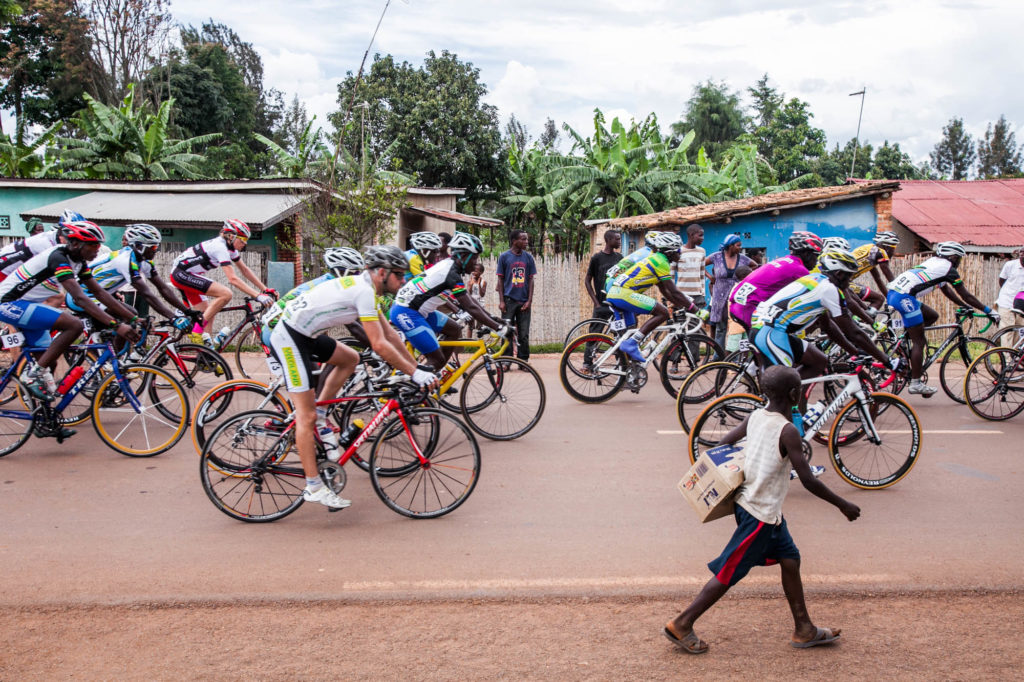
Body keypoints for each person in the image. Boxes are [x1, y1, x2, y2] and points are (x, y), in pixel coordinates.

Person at [664, 366, 860, 655]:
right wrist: (843, 504)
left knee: (790, 560)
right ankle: (682, 623)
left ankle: (804, 628)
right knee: (729, 571)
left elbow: (723, 443)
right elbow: (807, 480)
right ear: (794, 395)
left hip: (757, 509)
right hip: (759, 517)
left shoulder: (756, 416)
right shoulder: (788, 431)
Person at [267, 245, 436, 510]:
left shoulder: (367, 288)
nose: (403, 281)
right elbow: (379, 344)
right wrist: (413, 373)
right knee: (306, 415)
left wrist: (417, 368)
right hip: (289, 338)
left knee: (351, 359)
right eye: (399, 275)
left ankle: (322, 418)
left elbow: (390, 335)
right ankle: (313, 486)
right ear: (382, 272)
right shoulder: (363, 292)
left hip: (306, 334)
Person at [0, 221, 139, 402]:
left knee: (50, 362)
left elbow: (99, 292)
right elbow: (80, 297)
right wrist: (116, 325)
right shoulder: (58, 257)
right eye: (93, 245)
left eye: (99, 244)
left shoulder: (79, 262)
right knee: (73, 325)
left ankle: (46, 421)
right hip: (9, 303)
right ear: (75, 244)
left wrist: (133, 317)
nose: (98, 249)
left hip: (28, 304)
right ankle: (32, 375)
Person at [750, 249, 891, 409]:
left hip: (766, 329)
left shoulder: (815, 280)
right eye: (849, 276)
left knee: (819, 361)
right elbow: (853, 331)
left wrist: (855, 352)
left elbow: (828, 326)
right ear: (838, 274)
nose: (849, 280)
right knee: (784, 398)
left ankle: (798, 416)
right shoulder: (829, 289)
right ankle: (766, 427)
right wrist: (887, 361)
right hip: (770, 333)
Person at [886, 241, 998, 396]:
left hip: (894, 294)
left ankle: (907, 347)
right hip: (905, 298)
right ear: (952, 257)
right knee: (919, 341)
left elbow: (945, 288)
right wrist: (988, 310)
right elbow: (966, 294)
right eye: (959, 259)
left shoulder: (934, 263)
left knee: (932, 316)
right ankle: (916, 383)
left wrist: (963, 305)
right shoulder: (948, 269)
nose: (959, 262)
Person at [391, 231, 509, 372]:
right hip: (406, 312)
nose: (476, 264)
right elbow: (470, 307)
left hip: (420, 311)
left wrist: (493, 318)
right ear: (464, 256)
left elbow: (469, 300)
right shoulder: (449, 272)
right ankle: (416, 388)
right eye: (475, 259)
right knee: (437, 359)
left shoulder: (451, 268)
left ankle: (433, 378)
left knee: (454, 330)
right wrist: (499, 328)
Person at [65, 224, 197, 333]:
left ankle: (118, 356)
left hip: (100, 296)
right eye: (153, 247)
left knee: (131, 316)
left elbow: (163, 288)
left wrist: (188, 311)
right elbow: (147, 294)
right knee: (130, 315)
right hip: (80, 297)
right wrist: (173, 318)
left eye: (157, 247)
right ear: (138, 246)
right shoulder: (125, 260)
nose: (155, 251)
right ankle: (117, 359)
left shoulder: (144, 260)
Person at [170, 219, 276, 346]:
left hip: (187, 275)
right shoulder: (220, 247)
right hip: (181, 274)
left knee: (209, 313)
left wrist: (265, 289)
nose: (244, 243)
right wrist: (257, 296)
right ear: (231, 236)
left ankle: (206, 356)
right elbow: (233, 279)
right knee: (226, 294)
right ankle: (196, 331)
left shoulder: (230, 249)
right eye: (242, 239)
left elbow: (245, 270)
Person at [605, 231, 705, 363]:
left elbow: (666, 291)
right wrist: (695, 309)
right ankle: (632, 343)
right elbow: (674, 292)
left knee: (628, 332)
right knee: (662, 313)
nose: (680, 253)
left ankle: (630, 369)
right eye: (678, 250)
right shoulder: (660, 262)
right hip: (624, 293)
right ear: (669, 252)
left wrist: (680, 305)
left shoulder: (656, 259)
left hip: (617, 292)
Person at [729, 231, 823, 332]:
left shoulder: (784, 261)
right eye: (816, 256)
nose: (816, 261)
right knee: (776, 341)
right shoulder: (800, 270)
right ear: (806, 253)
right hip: (748, 307)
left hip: (739, 304)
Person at [707, 234, 755, 350]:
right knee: (720, 328)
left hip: (736, 297)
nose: (740, 248)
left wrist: (747, 278)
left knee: (737, 327)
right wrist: (710, 277)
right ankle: (718, 355)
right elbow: (699, 264)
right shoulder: (716, 257)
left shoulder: (743, 259)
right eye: (738, 245)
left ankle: (735, 355)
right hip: (719, 297)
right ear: (730, 246)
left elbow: (755, 265)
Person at [496, 229, 537, 362]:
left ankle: (523, 360)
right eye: (523, 239)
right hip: (509, 300)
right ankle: (507, 360)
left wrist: (529, 300)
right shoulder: (504, 257)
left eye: (526, 239)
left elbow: (531, 280)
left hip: (524, 301)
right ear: (514, 241)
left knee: (524, 333)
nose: (526, 242)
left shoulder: (528, 258)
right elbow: (500, 280)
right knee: (507, 332)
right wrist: (501, 301)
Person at [584, 229, 622, 329]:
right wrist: (596, 303)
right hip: (601, 303)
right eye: (617, 239)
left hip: (616, 302)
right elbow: (587, 280)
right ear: (608, 240)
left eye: (620, 239)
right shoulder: (597, 258)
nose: (619, 242)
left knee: (620, 333)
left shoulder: (620, 258)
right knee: (594, 334)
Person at [673, 224, 707, 309]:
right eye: (700, 235)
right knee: (682, 321)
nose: (703, 238)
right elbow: (671, 275)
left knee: (698, 321)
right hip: (682, 295)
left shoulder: (702, 251)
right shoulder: (678, 251)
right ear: (691, 235)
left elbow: (702, 274)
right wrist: (673, 295)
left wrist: (703, 294)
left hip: (698, 296)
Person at [995, 247, 1024, 328]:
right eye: (1022, 253)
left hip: (1021, 306)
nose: (1022, 255)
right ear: (1020, 254)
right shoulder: (1010, 265)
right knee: (1006, 332)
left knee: (1019, 333)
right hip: (1007, 303)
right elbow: (1001, 281)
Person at [466, 261, 488, 332]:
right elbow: (469, 293)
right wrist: (471, 285)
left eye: (475, 271)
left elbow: (482, 294)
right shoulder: (470, 281)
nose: (473, 272)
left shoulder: (483, 282)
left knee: (480, 326)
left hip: (480, 305)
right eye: (473, 270)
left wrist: (478, 284)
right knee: (470, 325)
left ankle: (479, 341)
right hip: (471, 304)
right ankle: (468, 342)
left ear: (481, 273)